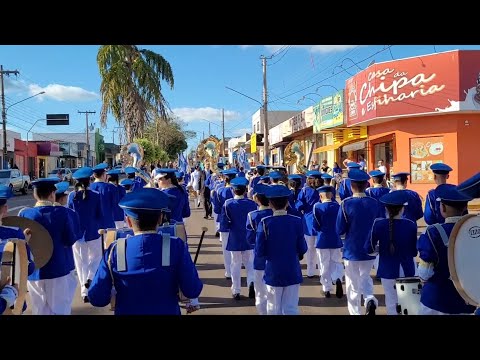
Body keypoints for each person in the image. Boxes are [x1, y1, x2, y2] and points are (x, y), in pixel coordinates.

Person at [88, 188, 203, 315]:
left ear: (129, 222)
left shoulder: (114, 250)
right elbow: (192, 290)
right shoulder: (176, 245)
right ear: (160, 218)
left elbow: (97, 298)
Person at [19, 178, 78, 315]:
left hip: (34, 271)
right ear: (52, 194)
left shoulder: (24, 213)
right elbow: (70, 239)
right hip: (57, 268)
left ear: (35, 195)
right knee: (60, 308)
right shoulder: (62, 213)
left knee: (39, 309)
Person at [417, 185, 476, 315]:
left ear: (442, 208)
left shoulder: (432, 232)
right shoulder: (475, 231)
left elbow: (424, 273)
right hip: (467, 301)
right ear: (465, 207)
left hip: (436, 301)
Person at [256, 185, 307, 315]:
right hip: (292, 269)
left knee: (273, 307)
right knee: (291, 308)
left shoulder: (265, 222)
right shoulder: (296, 221)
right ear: (286, 203)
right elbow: (302, 247)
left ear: (271, 204)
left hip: (273, 270)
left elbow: (259, 251)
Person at [365, 191, 418, 315]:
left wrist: (378, 251)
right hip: (407, 268)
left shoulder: (378, 224)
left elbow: (369, 248)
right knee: (408, 303)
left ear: (386, 209)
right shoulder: (410, 225)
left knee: (391, 301)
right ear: (402, 209)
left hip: (387, 269)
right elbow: (414, 252)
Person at [336, 169, 381, 315]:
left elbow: (339, 229)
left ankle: (356, 312)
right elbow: (379, 224)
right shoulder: (374, 203)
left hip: (352, 249)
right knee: (365, 276)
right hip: (370, 248)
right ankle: (369, 298)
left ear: (352, 185)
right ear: (365, 185)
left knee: (352, 283)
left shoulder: (345, 204)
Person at [67, 167, 104, 303]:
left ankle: (84, 291)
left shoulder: (72, 196)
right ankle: (90, 276)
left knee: (80, 262)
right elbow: (100, 214)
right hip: (93, 231)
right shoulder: (95, 195)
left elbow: (69, 215)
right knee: (96, 258)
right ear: (90, 181)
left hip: (77, 233)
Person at [219, 176, 257, 300]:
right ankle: (251, 282)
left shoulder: (228, 204)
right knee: (249, 262)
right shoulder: (251, 203)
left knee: (235, 263)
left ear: (233, 190)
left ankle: (236, 290)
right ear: (245, 190)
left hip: (235, 236)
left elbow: (224, 223)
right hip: (248, 236)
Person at [0, 185, 35, 315]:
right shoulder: (15, 234)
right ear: (5, 209)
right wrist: (24, 243)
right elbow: (29, 268)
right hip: (10, 301)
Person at [54, 181, 81, 308]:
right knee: (63, 301)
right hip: (64, 261)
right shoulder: (69, 213)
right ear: (63, 198)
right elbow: (73, 237)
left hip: (40, 266)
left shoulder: (28, 213)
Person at [312, 185, 344, 298]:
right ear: (331, 195)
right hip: (335, 238)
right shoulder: (337, 206)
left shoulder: (317, 207)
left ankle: (326, 288)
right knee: (336, 261)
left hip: (322, 239)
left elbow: (315, 225)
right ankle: (337, 278)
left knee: (324, 263)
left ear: (321, 195)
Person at [295, 170, 323, 278]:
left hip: (309, 221)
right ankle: (322, 271)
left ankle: (311, 271)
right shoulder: (325, 190)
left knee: (310, 249)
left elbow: (299, 206)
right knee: (321, 249)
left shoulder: (305, 191)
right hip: (322, 221)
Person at [90, 163, 118, 231]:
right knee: (110, 241)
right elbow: (116, 204)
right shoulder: (111, 187)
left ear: (94, 175)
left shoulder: (89, 187)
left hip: (93, 225)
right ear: (104, 175)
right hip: (108, 222)